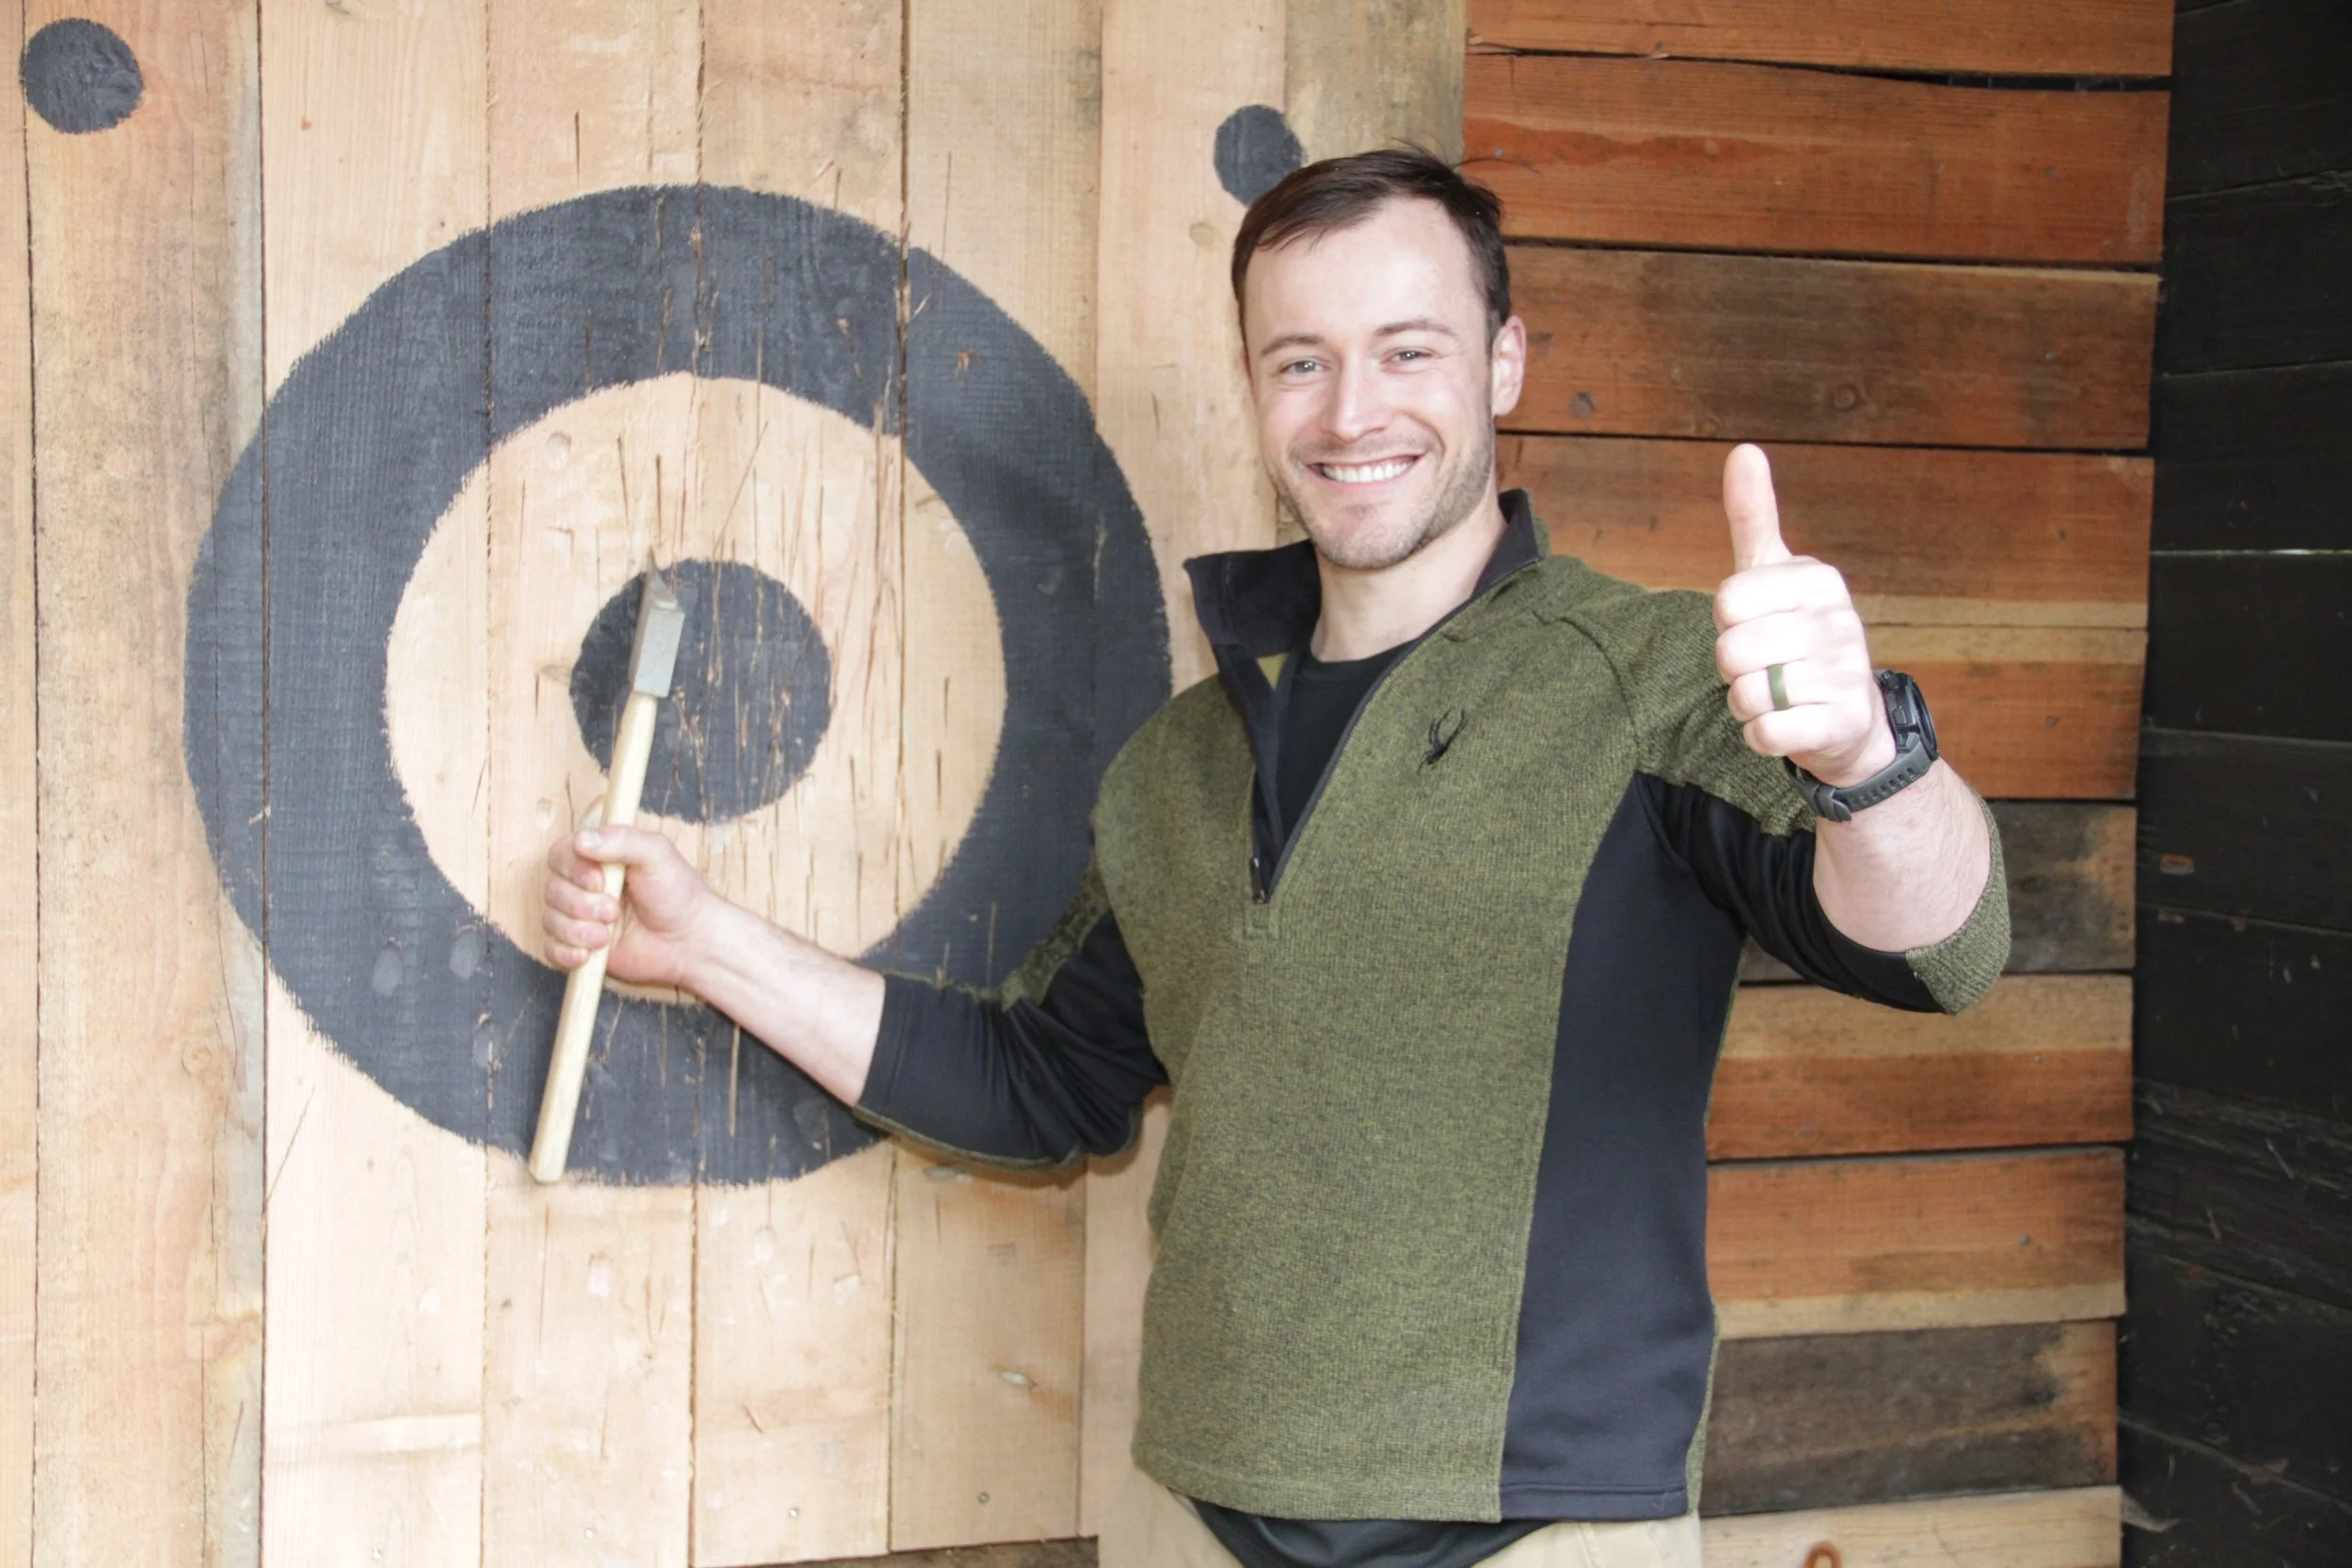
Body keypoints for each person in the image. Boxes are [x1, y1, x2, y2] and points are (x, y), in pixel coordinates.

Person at [539, 149, 2006, 1568]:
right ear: (1254, 387)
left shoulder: (1651, 676)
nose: (1351, 407)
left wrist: (1868, 762)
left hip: (1549, 1528)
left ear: (1502, 364)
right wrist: (704, 944)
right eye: (1299, 359)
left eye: (1408, 350)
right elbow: (1043, 1082)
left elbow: (1940, 945)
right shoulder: (1180, 760)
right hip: (1198, 1512)